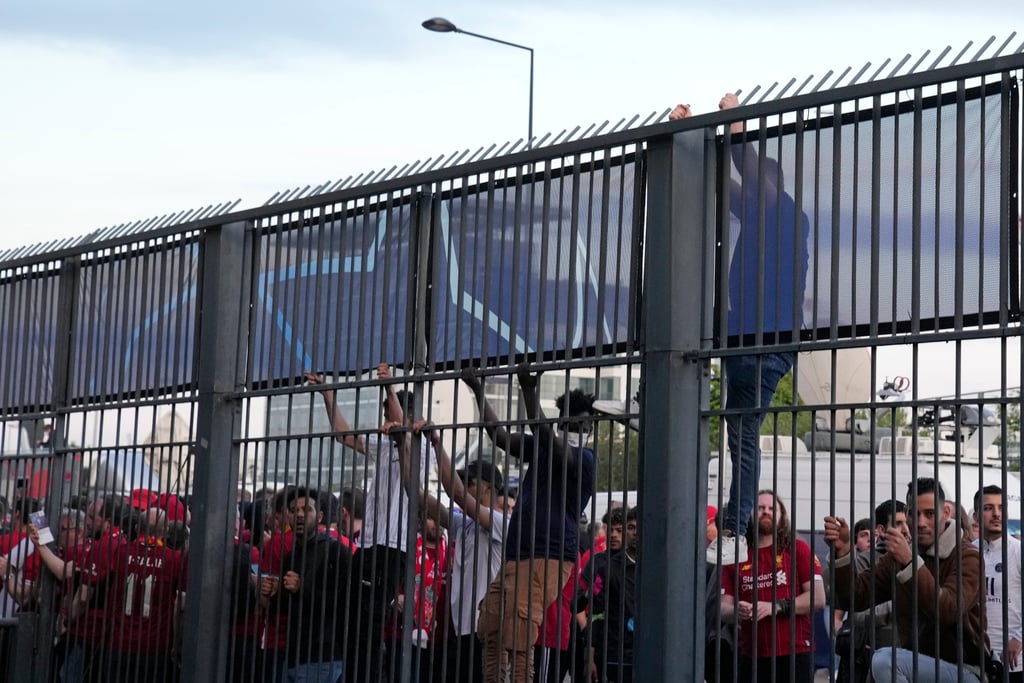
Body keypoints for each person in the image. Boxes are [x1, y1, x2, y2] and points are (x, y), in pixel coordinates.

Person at [670, 93, 810, 566]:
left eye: (756, 190)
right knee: (739, 434)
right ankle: (733, 525)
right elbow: (721, 185)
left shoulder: (790, 215)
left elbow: (747, 178)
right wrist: (692, 137)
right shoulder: (755, 216)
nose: (745, 198)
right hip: (744, 343)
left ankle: (733, 526)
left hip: (767, 343)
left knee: (742, 434)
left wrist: (735, 129)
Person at [462, 363, 597, 683]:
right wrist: (478, 391)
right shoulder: (542, 446)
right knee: (493, 624)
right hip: (516, 553)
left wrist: (529, 392)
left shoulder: (586, 458)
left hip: (546, 556)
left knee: (521, 633)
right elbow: (500, 437)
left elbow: (551, 441)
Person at [306, 363, 436, 683]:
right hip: (368, 543)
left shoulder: (421, 448)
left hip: (392, 547)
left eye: (391, 414)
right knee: (352, 620)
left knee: (370, 620)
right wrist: (328, 395)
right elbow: (344, 436)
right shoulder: (382, 444)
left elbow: (404, 437)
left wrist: (389, 387)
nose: (386, 421)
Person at [825, 477, 989, 683]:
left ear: (946, 513)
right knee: (881, 665)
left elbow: (947, 610)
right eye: (914, 514)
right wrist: (843, 552)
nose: (920, 523)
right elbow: (856, 597)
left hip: (965, 670)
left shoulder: (967, 556)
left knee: (885, 661)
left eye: (929, 514)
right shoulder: (899, 556)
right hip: (915, 667)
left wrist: (910, 563)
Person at [721, 490, 825, 683]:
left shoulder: (798, 549)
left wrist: (775, 607)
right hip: (751, 654)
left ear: (781, 516)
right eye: (760, 508)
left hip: (794, 652)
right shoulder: (736, 555)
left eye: (771, 509)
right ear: (750, 514)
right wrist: (737, 611)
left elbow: (817, 599)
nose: (766, 512)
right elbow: (722, 607)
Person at [93, 508, 187, 683]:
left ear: (137, 527)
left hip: (119, 643)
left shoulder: (121, 552)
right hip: (154, 648)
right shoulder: (174, 559)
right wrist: (175, 644)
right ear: (166, 531)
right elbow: (179, 606)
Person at [271, 488, 351, 683]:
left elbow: (345, 602)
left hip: (323, 656)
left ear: (320, 516)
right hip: (293, 655)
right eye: (293, 510)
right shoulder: (291, 555)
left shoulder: (335, 550)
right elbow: (286, 607)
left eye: (306, 509)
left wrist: (302, 587)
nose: (299, 515)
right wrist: (275, 592)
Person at [835, 499, 911, 683]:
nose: (906, 530)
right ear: (881, 530)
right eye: (899, 523)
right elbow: (857, 610)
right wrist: (902, 604)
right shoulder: (863, 561)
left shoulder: (914, 558)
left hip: (904, 655)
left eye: (907, 522)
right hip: (868, 655)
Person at [974, 485, 1023, 682]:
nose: (996, 514)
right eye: (988, 508)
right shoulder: (969, 552)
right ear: (976, 516)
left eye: (1001, 507)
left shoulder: (1018, 551)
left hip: (1015, 661)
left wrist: (1019, 638)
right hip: (977, 658)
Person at [590, 506, 640, 683]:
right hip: (617, 654)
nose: (635, 533)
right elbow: (595, 612)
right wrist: (590, 653)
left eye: (639, 528)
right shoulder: (608, 568)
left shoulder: (657, 566)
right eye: (631, 527)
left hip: (649, 653)